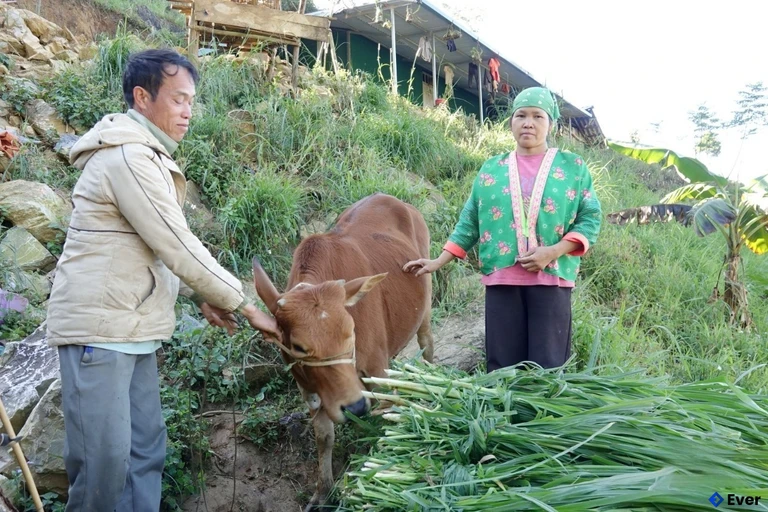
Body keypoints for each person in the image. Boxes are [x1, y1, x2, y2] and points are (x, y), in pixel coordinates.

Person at [45, 49, 280, 512]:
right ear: (142, 96)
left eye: (192, 100)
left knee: (144, 452)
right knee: (103, 468)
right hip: (101, 330)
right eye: (178, 99)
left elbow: (154, 245)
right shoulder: (128, 157)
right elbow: (176, 242)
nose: (188, 111)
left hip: (132, 329)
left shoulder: (145, 155)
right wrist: (243, 304)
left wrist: (199, 296)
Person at [404, 86, 602, 372]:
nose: (528, 123)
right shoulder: (491, 169)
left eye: (538, 116)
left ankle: (541, 418)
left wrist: (553, 252)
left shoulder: (572, 167)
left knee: (547, 367)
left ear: (551, 124)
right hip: (502, 280)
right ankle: (506, 417)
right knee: (502, 369)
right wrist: (438, 261)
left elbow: (590, 217)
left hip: (551, 279)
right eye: (520, 115)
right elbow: (470, 220)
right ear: (511, 122)